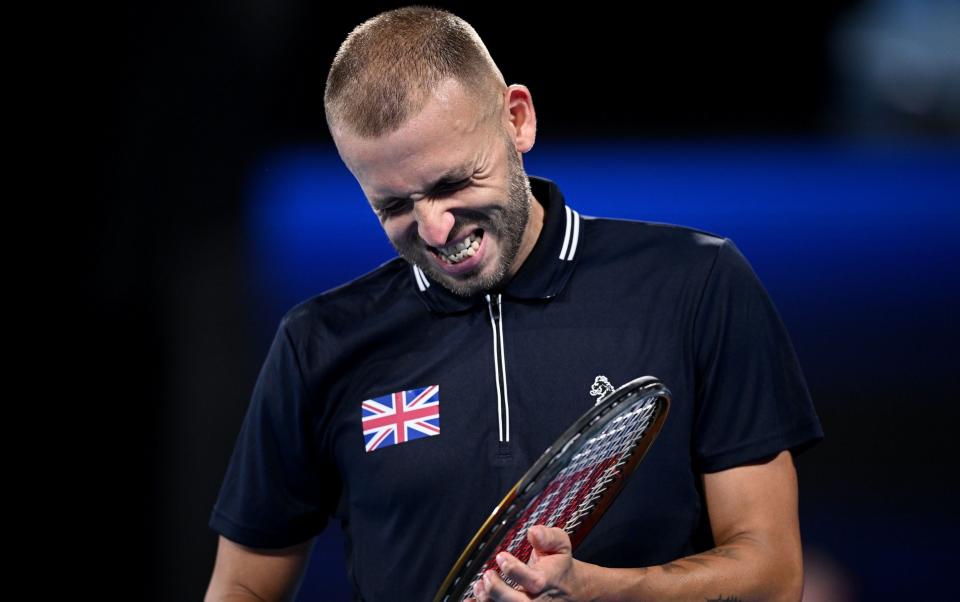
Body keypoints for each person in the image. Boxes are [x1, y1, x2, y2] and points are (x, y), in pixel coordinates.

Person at [205, 6, 824, 602]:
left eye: (453, 183)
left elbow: (771, 574)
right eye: (393, 206)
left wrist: (600, 592)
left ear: (518, 119)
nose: (437, 230)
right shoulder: (317, 343)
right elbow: (242, 586)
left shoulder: (698, 283)